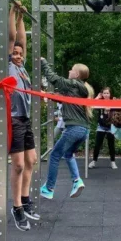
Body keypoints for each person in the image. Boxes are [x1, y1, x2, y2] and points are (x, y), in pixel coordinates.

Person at [40, 58, 94, 200]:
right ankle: (77, 181)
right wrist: (48, 95)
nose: (69, 71)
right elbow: (66, 100)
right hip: (84, 130)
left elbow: (53, 79)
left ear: (76, 75)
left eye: (72, 69)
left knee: (54, 156)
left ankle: (49, 188)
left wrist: (43, 63)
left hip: (74, 129)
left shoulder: (72, 84)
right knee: (68, 154)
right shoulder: (80, 88)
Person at [8, 1, 39, 232]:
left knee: (31, 161)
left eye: (20, 54)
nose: (18, 55)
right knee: (17, 165)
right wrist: (11, 10)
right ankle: (16, 207)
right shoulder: (7, 65)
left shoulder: (23, 67)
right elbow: (11, 37)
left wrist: (21, 15)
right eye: (15, 53)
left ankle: (25, 200)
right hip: (14, 118)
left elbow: (22, 39)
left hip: (25, 119)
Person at [89, 87, 117, 170]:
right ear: (102, 94)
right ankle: (94, 161)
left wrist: (111, 107)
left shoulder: (113, 101)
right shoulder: (99, 101)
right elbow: (90, 105)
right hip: (101, 126)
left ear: (110, 94)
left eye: (107, 93)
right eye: (104, 93)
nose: (106, 95)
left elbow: (120, 109)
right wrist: (97, 97)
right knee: (97, 145)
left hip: (110, 127)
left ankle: (113, 162)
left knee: (111, 145)